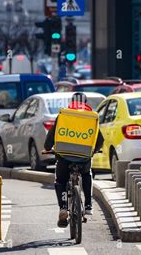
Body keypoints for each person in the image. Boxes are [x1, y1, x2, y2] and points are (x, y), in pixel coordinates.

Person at [44, 92, 104, 228]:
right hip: (83, 158)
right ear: (86, 103)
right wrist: (94, 150)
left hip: (64, 157)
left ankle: (63, 207)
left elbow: (52, 134)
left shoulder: (64, 116)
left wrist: (48, 147)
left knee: (60, 181)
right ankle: (88, 204)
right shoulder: (90, 118)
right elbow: (99, 139)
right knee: (87, 174)